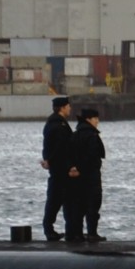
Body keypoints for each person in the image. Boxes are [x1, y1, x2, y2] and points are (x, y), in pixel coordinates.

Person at [39, 96, 75, 241]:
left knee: (62, 200)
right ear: (62, 108)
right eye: (68, 106)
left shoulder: (53, 124)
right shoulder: (59, 126)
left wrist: (47, 159)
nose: (70, 108)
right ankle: (50, 230)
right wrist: (67, 165)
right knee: (55, 201)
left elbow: (47, 147)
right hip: (61, 170)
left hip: (58, 168)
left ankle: (66, 230)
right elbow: (61, 148)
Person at [71, 109, 107, 242]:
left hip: (77, 177)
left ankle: (77, 234)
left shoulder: (75, 134)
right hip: (91, 175)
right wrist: (83, 168)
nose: (97, 121)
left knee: (79, 205)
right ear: (88, 119)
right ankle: (92, 233)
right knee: (93, 204)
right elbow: (92, 156)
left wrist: (75, 168)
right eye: (95, 118)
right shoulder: (91, 135)